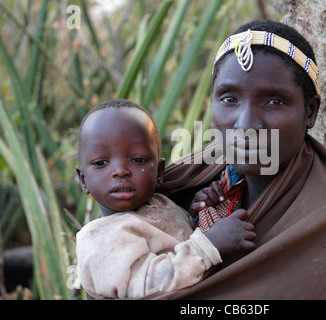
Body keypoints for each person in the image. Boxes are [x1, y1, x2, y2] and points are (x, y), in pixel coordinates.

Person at [153, 20, 326, 299]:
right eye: (229, 98)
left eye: (274, 102)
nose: (245, 124)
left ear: (311, 112)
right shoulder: (187, 181)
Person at [75, 99, 256, 299]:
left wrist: (197, 212)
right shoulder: (100, 238)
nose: (120, 171)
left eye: (137, 160)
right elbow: (148, 286)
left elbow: (178, 239)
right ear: (83, 180)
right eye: (101, 163)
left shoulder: (161, 203)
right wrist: (209, 245)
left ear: (160, 172)